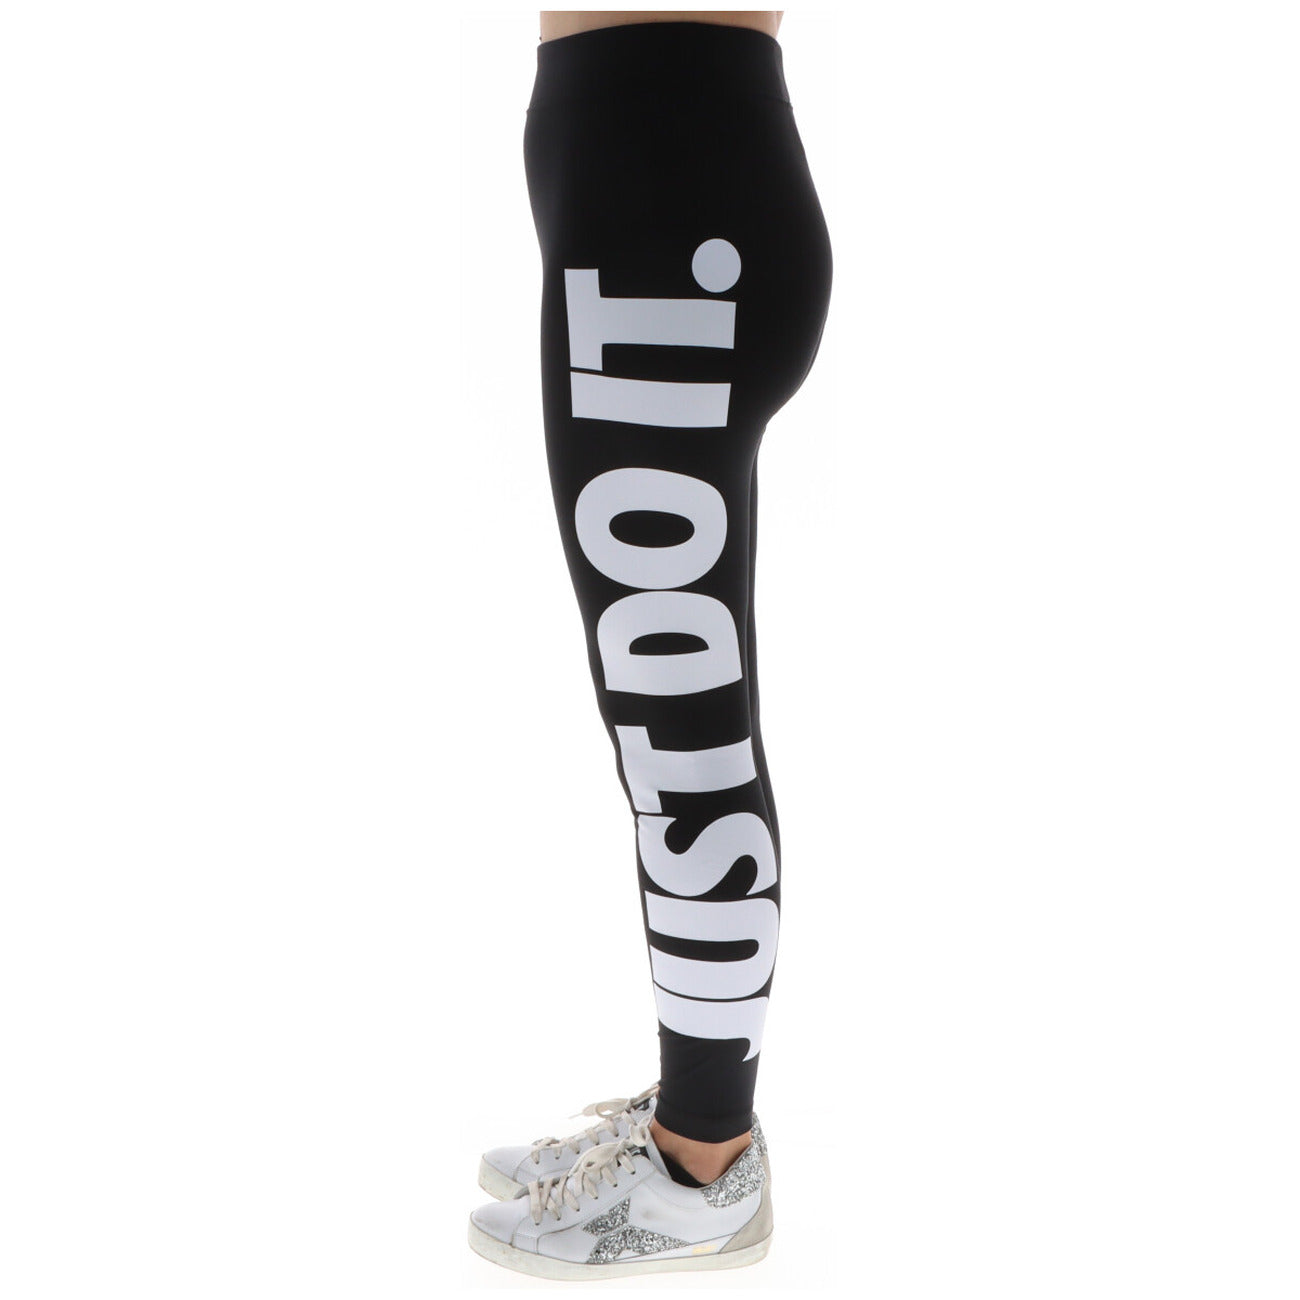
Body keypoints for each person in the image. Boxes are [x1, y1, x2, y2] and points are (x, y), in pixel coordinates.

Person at [467, 11, 832, 1277]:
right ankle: (696, 1113)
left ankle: (699, 1168)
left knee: (674, 722)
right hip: (659, 200)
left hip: (662, 242)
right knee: (671, 706)